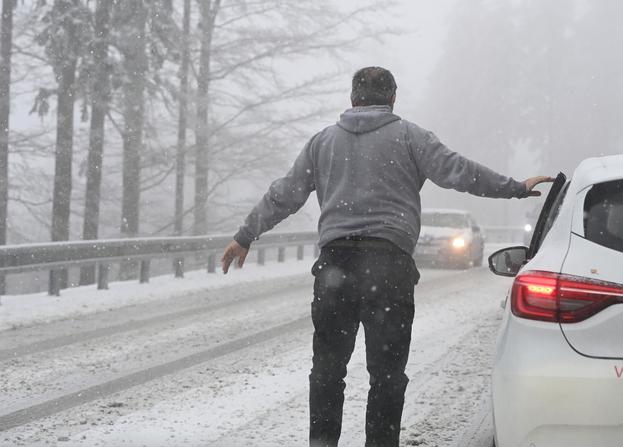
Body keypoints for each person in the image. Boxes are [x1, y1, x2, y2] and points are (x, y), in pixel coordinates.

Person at [221, 66, 553, 447]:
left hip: (335, 266)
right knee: (387, 375)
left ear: (352, 99)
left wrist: (246, 235)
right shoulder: (411, 137)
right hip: (389, 265)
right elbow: (459, 172)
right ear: (392, 98)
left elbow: (285, 193)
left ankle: (322, 442)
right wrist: (513, 188)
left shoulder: (322, 142)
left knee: (328, 371)